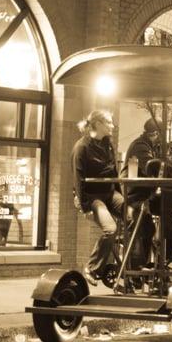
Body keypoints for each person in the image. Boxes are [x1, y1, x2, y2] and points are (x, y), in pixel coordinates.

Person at [71, 110, 124, 286]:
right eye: (109, 122)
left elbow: (114, 171)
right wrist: (85, 207)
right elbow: (78, 178)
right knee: (110, 229)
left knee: (138, 216)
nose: (112, 126)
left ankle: (132, 266)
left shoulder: (108, 144)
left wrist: (121, 196)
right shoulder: (82, 147)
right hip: (92, 196)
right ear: (98, 124)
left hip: (110, 193)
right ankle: (92, 268)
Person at [119, 118, 163, 269]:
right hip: (134, 194)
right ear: (155, 133)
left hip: (142, 193)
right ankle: (135, 268)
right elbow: (151, 166)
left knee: (150, 225)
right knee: (141, 226)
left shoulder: (148, 146)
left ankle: (148, 263)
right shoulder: (140, 146)